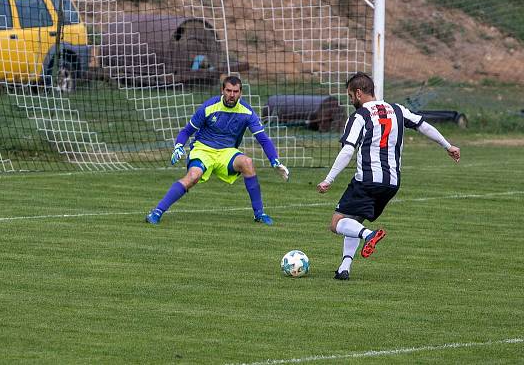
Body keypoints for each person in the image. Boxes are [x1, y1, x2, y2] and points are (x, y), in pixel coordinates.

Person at [317, 72, 460, 280]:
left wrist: (328, 180)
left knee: (337, 222)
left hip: (367, 180)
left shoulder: (359, 116)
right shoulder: (398, 110)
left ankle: (369, 235)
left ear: (358, 93)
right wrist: (448, 145)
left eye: (350, 97)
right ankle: (344, 268)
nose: (350, 102)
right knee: (355, 219)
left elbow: (348, 150)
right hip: (392, 183)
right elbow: (423, 125)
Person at [145, 75, 290, 225]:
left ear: (241, 93)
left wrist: (275, 161)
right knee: (193, 176)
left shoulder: (247, 112)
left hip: (226, 152)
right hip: (203, 149)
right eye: (228, 90)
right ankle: (156, 212)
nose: (231, 95)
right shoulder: (208, 107)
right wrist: (178, 146)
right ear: (222, 90)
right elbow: (186, 131)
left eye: (235, 91)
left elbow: (263, 139)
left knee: (247, 162)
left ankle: (259, 214)